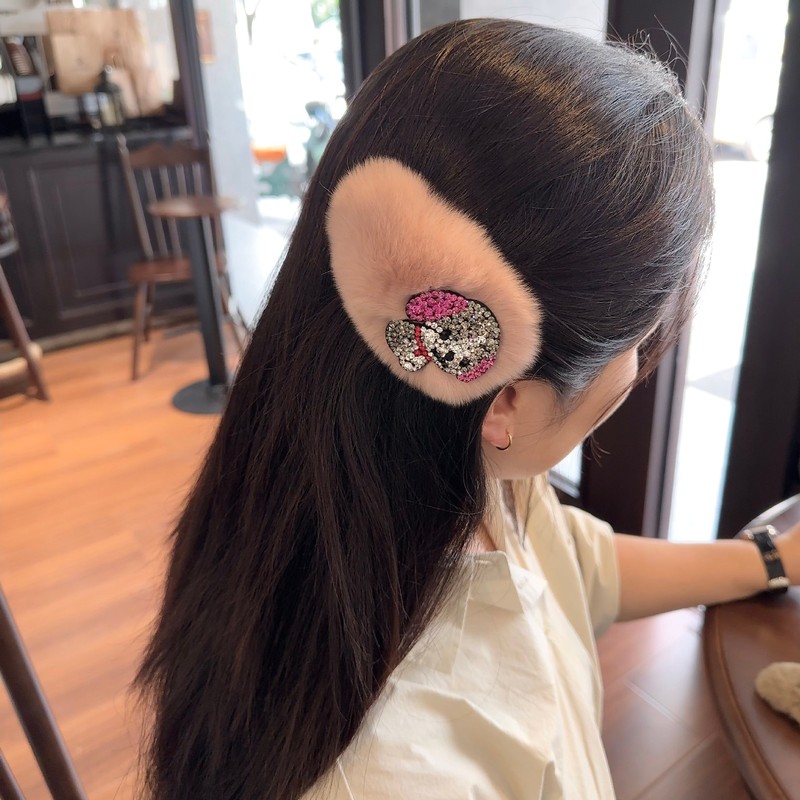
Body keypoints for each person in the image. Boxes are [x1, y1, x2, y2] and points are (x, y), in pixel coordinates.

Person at [134, 18, 800, 800]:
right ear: (506, 400)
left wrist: (768, 561)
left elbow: (572, 561)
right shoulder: (401, 777)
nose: (640, 363)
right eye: (641, 335)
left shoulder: (429, 449)